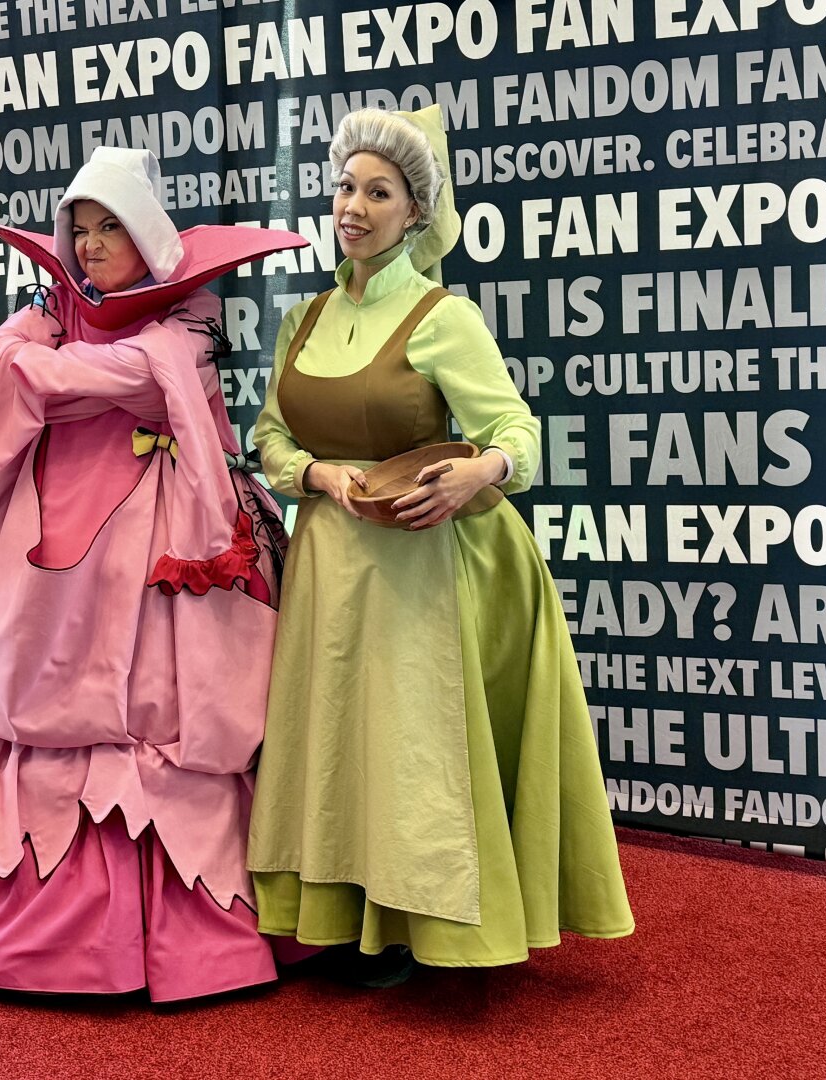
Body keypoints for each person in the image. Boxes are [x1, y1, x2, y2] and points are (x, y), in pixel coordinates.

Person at [0, 148, 305, 1000]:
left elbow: (131, 377)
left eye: (113, 226)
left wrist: (35, 370)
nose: (95, 241)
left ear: (148, 236)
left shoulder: (190, 316)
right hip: (39, 521)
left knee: (160, 693)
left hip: (163, 531)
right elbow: (9, 361)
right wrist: (31, 361)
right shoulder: (49, 311)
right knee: (17, 666)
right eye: (83, 226)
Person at [246, 106, 634, 980]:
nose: (352, 206)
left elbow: (519, 435)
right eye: (346, 185)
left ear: (415, 212)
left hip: (417, 569)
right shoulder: (300, 320)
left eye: (378, 192)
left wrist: (477, 472)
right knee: (333, 740)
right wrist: (317, 478)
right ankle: (339, 920)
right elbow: (270, 438)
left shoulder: (440, 316)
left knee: (408, 748)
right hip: (327, 566)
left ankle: (419, 929)